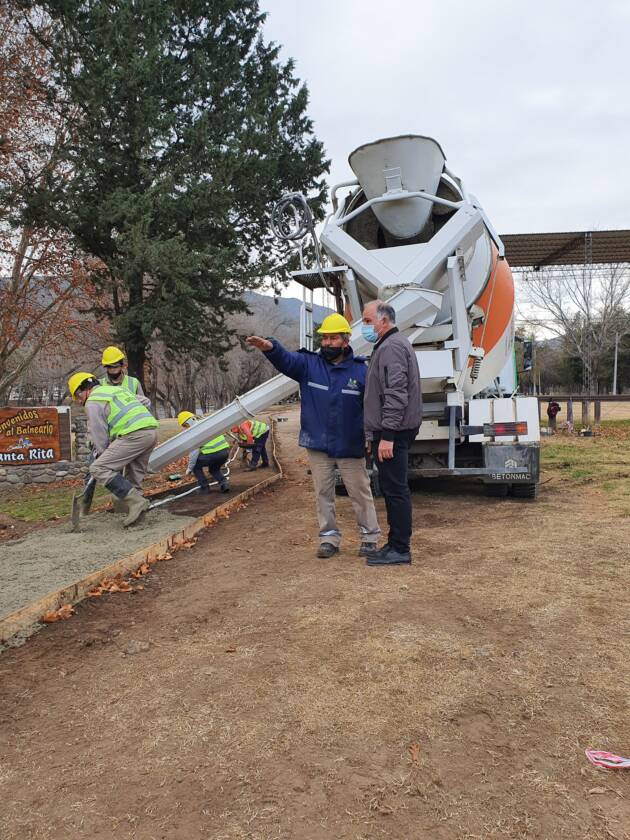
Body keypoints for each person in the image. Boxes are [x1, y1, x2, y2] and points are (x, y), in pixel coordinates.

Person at [246, 313, 380, 558]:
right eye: (324, 338)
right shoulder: (309, 365)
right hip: (318, 444)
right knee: (323, 494)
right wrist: (271, 348)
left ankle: (369, 537)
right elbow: (287, 360)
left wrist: (370, 437)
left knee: (360, 492)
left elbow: (371, 408)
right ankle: (329, 538)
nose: (327, 343)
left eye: (333, 338)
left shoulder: (361, 371)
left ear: (346, 340)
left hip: (351, 443)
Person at [361, 300, 421, 566]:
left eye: (367, 321)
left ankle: (400, 548)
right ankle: (394, 543)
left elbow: (396, 395)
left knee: (395, 490)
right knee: (391, 487)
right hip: (392, 431)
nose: (364, 327)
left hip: (394, 433)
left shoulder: (392, 348)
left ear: (383, 321)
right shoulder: (387, 346)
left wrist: (387, 435)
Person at [67, 372, 159, 526]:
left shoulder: (93, 401)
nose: (79, 401)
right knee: (132, 482)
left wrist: (104, 455)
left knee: (98, 468)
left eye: (78, 397)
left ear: (82, 391)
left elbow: (99, 434)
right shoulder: (116, 390)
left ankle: (136, 503)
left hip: (133, 435)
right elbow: (145, 401)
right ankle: (137, 519)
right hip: (151, 432)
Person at [177, 411, 230, 493]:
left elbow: (193, 453)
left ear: (188, 422)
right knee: (214, 469)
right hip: (224, 452)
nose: (185, 427)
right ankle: (224, 483)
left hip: (212, 454)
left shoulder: (192, 431)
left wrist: (190, 468)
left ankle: (204, 488)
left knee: (195, 466)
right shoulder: (207, 423)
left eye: (185, 425)